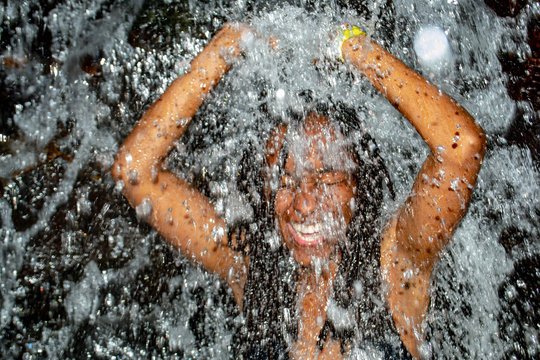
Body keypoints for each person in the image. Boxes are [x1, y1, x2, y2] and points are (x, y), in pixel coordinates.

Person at [111, 23, 486, 359]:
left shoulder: (395, 266)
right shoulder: (253, 272)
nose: (305, 204)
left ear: (361, 185)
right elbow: (135, 172)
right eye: (284, 182)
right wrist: (224, 49)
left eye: (327, 179)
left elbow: (461, 147)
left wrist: (352, 47)